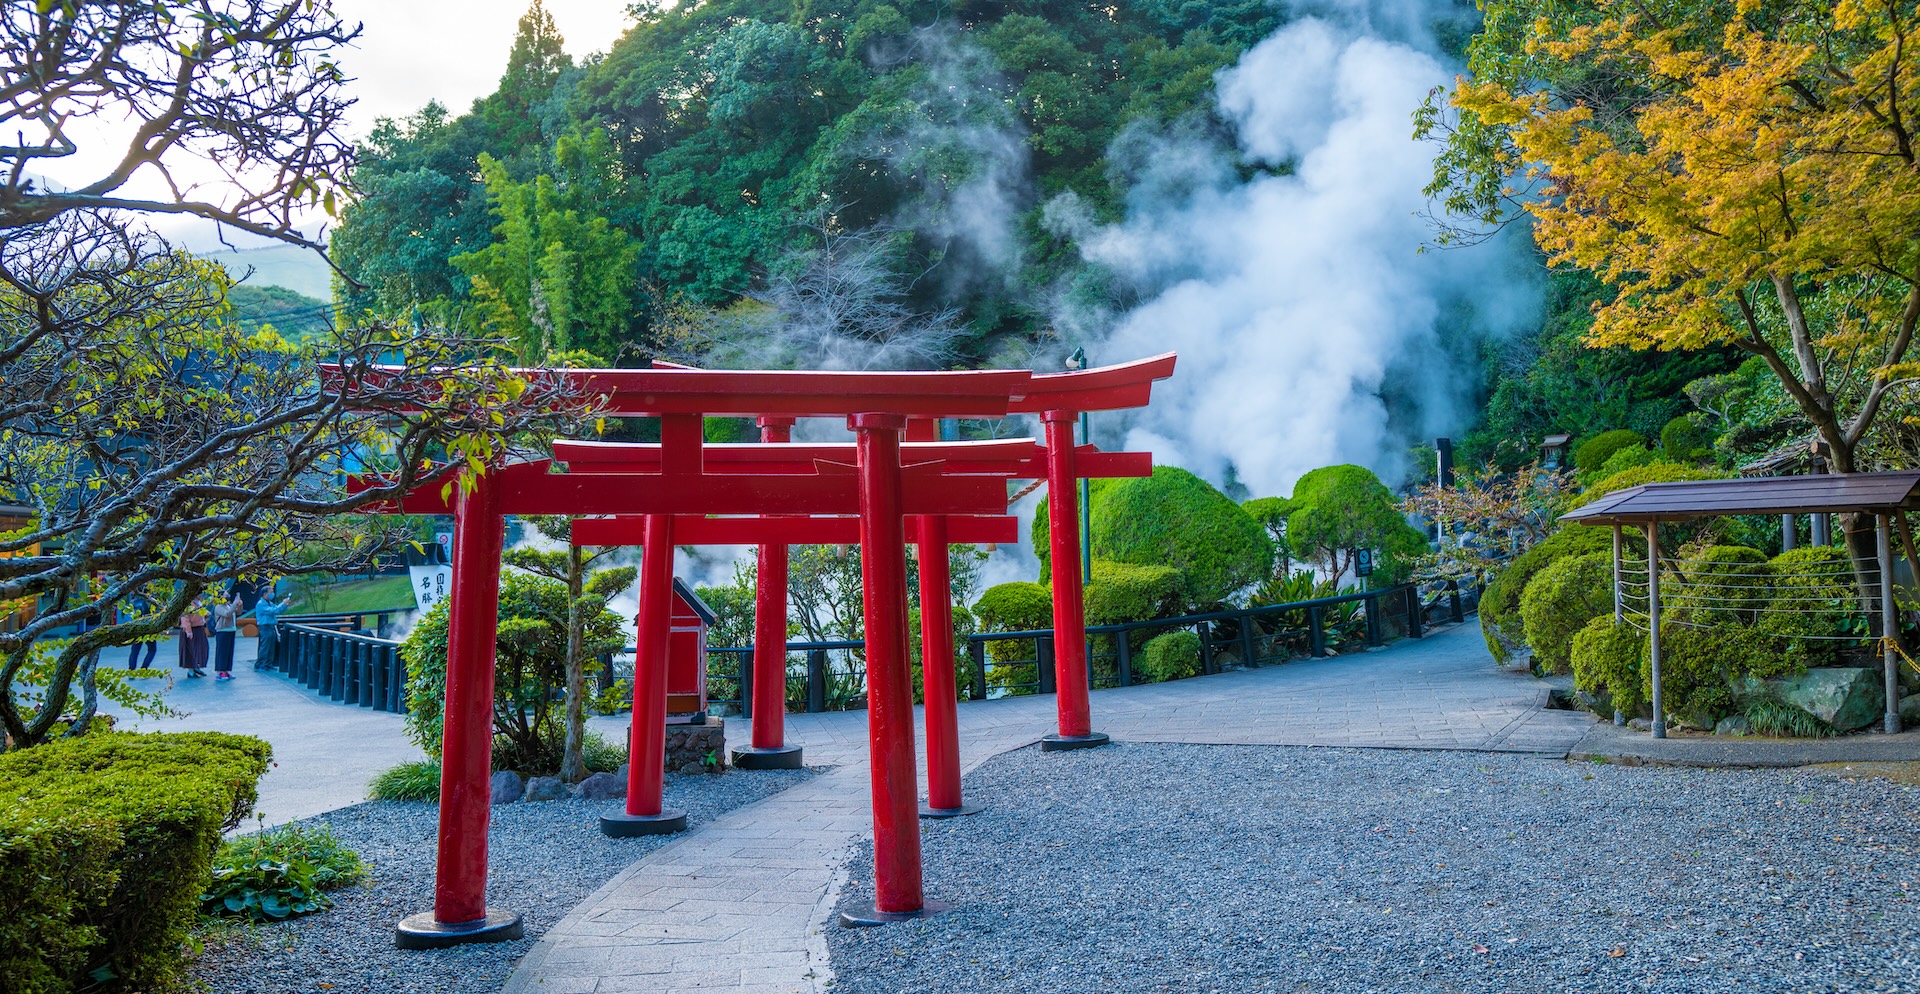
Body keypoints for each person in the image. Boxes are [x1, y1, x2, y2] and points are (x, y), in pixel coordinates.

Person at [247, 588, 293, 672]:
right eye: (270, 592)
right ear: (264, 594)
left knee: (271, 646)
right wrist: (283, 603)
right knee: (265, 646)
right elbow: (274, 610)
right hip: (264, 626)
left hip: (271, 626)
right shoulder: (261, 604)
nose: (272, 594)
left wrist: (285, 605)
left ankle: (268, 664)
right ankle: (261, 664)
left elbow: (278, 610)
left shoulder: (269, 603)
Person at [122, 592, 158, 670]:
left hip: (136, 629)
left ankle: (131, 669)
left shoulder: (133, 603)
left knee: (135, 650)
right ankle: (144, 668)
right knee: (152, 649)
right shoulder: (147, 602)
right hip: (147, 629)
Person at [179, 596, 211, 677]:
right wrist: (188, 631)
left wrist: (206, 615)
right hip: (192, 629)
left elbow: (202, 612)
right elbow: (184, 617)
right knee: (190, 649)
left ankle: (196, 666)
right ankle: (191, 670)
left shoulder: (198, 602)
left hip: (199, 628)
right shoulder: (188, 603)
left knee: (200, 649)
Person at [211, 593, 240, 681]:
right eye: (225, 595)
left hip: (231, 630)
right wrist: (234, 604)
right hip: (222, 631)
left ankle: (226, 670)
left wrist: (239, 605)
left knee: (229, 652)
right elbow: (227, 614)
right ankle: (220, 672)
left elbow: (238, 612)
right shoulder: (218, 606)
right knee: (222, 652)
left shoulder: (229, 605)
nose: (227, 596)